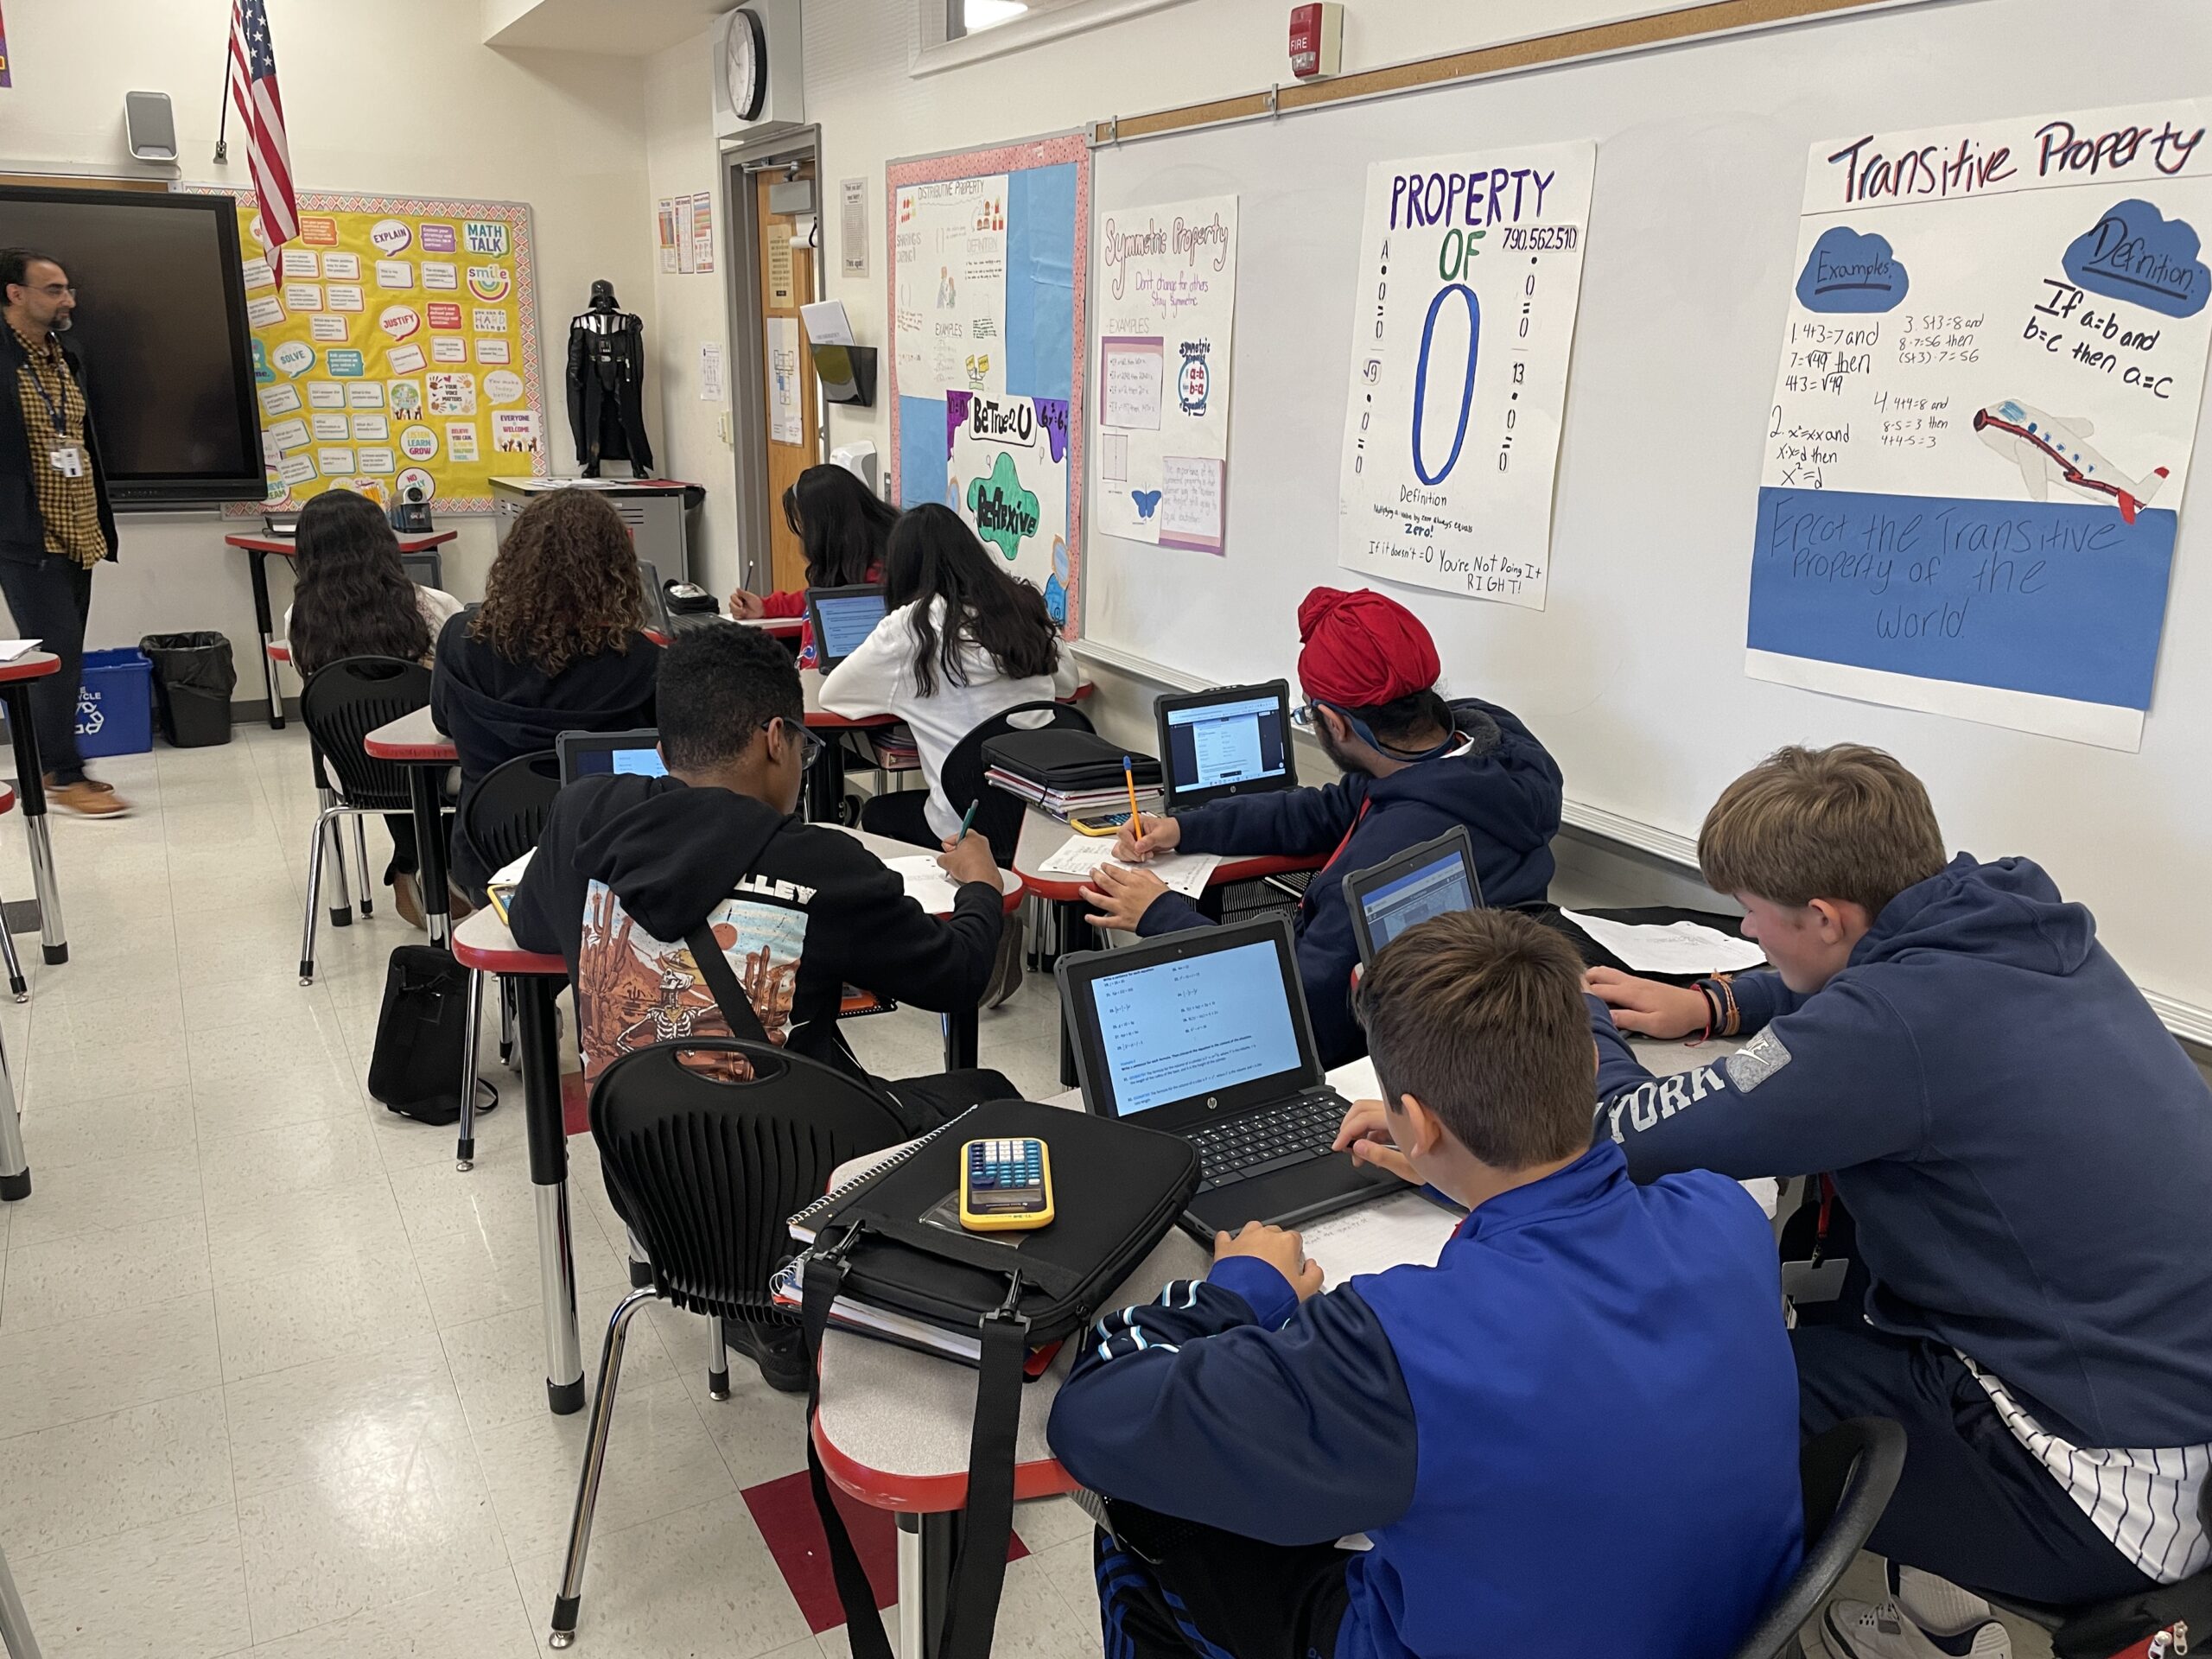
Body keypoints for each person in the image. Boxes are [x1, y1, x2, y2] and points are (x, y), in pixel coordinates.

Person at [1586, 744, 2212, 1658]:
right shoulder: (2016, 921)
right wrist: (1719, 1004)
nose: (1751, 936)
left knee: (1694, 1379)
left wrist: (1578, 1024)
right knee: (1820, 1306)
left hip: (2096, 1491)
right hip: (2159, 1405)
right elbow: (1866, 976)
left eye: (1753, 919)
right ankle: (1927, 1606)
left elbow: (1628, 1131)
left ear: (1826, 917)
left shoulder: (1889, 1031)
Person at [1048, 907, 1803, 1659]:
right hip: (1706, 1625)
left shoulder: (1401, 1341)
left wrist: (1241, 1287)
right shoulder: (1724, 1211)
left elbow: (1094, 1422)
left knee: (1137, 1525)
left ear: (1418, 1122)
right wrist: (1469, 1181)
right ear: (1584, 1065)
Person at [507, 621, 1017, 1390]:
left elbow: (530, 924)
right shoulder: (823, 864)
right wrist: (981, 884)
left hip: (653, 1199)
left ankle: (767, 1313)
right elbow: (961, 976)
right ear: (776, 739)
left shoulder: (584, 816)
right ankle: (941, 1326)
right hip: (802, 1200)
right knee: (993, 1101)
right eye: (805, 750)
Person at [1082, 585, 1563, 1066]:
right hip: (1475, 1022)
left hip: (1367, 1051)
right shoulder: (1481, 760)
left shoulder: (1383, 860)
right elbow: (1325, 810)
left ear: (1334, 723)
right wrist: (1186, 828)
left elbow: (1296, 995)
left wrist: (1160, 914)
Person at [432, 487, 660, 896]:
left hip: (488, 856)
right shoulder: (641, 660)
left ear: (515, 561)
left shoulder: (459, 640)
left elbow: (441, 720)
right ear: (616, 572)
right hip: (608, 860)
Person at [817, 502, 1077, 848]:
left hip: (960, 825)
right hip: (1038, 816)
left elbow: (832, 694)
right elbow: (1070, 682)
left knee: (879, 811)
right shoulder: (1020, 605)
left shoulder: (912, 628)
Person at [284, 487, 465, 927]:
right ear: (385, 541)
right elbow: (462, 685)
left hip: (352, 772)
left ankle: (410, 864)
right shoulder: (436, 608)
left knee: (383, 744)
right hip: (442, 772)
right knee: (446, 751)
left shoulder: (298, 619)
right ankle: (444, 870)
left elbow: (318, 691)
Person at [0, 249, 126, 817]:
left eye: (68, 288)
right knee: (56, 657)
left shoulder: (64, 355)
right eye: (53, 289)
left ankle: (59, 765)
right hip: (26, 537)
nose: (68, 299)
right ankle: (62, 773)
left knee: (66, 653)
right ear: (15, 294)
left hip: (78, 531)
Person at [727, 462, 898, 667]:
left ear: (825, 530)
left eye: (805, 527)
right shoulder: (857, 564)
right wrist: (766, 606)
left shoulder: (875, 581)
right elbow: (820, 597)